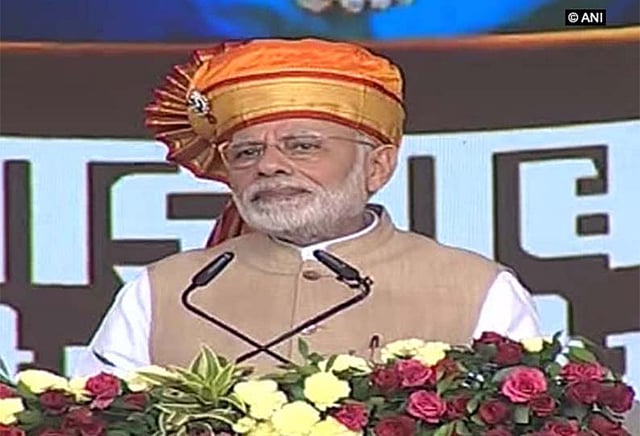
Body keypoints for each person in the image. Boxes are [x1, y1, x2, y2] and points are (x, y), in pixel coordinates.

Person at [73, 38, 541, 377]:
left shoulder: (476, 288)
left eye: (302, 146)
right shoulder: (166, 290)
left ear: (377, 166)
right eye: (246, 152)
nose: (269, 166)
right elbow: (96, 419)